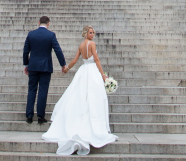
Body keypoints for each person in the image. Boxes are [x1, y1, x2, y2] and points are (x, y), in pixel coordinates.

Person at [41, 25, 118, 156]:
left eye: (93, 33)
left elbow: (75, 60)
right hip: (92, 70)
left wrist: (66, 69)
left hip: (83, 71)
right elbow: (97, 59)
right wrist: (103, 74)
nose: (92, 34)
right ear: (86, 33)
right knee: (93, 97)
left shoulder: (81, 45)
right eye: (90, 32)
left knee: (80, 96)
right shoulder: (92, 44)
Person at [23, 15, 67, 124]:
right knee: (43, 91)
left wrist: (26, 64)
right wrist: (63, 64)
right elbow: (57, 50)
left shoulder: (31, 34)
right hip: (45, 67)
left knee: (32, 89)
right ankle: (40, 116)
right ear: (48, 24)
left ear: (38, 23)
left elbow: (25, 51)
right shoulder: (51, 35)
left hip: (33, 66)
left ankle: (29, 115)